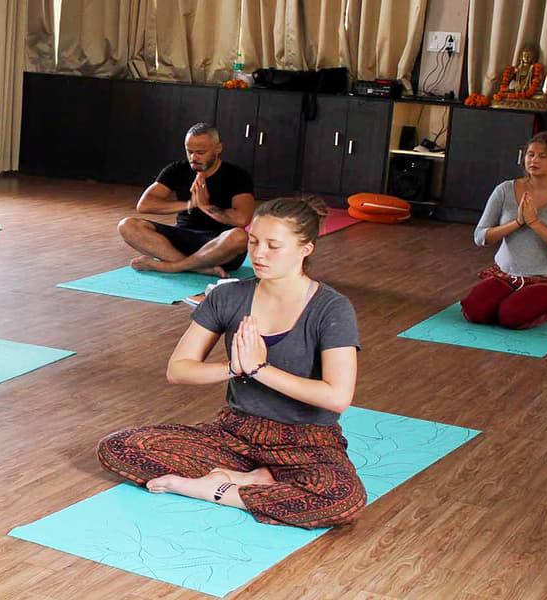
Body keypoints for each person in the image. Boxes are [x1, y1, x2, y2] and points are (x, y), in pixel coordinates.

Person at [98, 197, 366, 529]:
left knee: (342, 498)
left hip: (307, 442)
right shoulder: (228, 296)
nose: (259, 254)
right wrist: (234, 367)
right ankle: (254, 479)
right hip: (234, 434)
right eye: (254, 242)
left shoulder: (331, 308)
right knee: (120, 448)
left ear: (305, 249)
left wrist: (260, 369)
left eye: (273, 246)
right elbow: (178, 369)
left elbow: (337, 397)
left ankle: (227, 488)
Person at [461, 131, 547, 330]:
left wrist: (535, 223)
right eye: (530, 154)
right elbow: (480, 237)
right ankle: (511, 300)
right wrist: (518, 222)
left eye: (542, 156)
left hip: (546, 279)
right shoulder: (505, 189)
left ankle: (544, 308)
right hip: (505, 275)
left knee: (510, 316)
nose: (534, 160)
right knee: (474, 312)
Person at [117, 123, 256, 277]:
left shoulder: (237, 176)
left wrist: (205, 206)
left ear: (218, 148)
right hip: (182, 238)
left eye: (200, 152)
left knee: (240, 237)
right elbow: (144, 205)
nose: (193, 158)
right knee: (127, 225)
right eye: (189, 151)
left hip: (218, 246)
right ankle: (196, 267)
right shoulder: (177, 169)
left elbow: (242, 218)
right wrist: (191, 204)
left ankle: (173, 266)